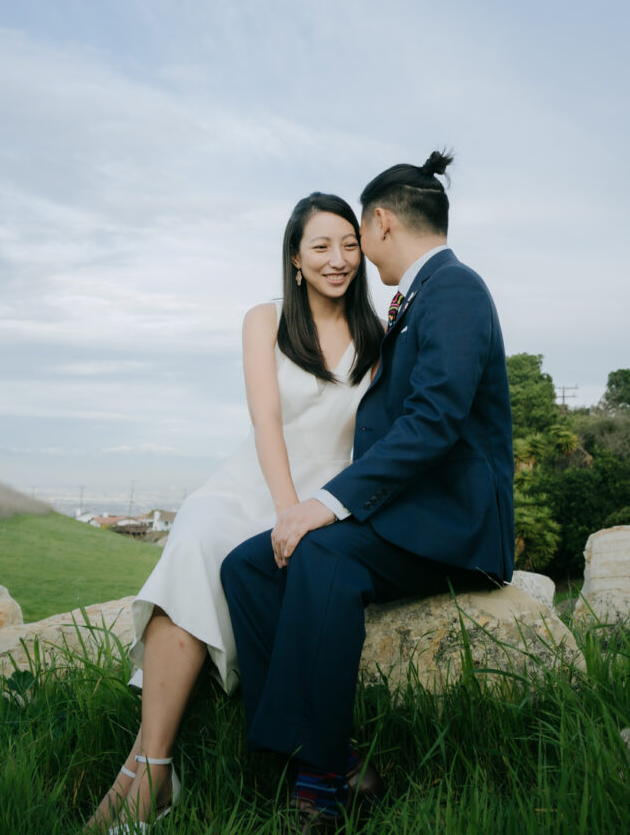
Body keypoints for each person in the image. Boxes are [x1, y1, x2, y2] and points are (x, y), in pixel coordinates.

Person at [221, 150, 515, 832]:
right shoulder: (421, 296)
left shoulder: (455, 288)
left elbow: (435, 422)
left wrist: (325, 504)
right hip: (411, 515)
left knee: (322, 556)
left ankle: (320, 781)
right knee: (248, 566)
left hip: (455, 527)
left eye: (357, 234)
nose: (354, 253)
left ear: (381, 221)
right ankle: (314, 754)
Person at [86, 192, 382, 832]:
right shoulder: (265, 319)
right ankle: (154, 766)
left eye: (350, 244)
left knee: (249, 564)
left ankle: (144, 777)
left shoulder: (378, 334)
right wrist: (284, 510)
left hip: (327, 497)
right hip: (255, 482)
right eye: (321, 246)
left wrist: (312, 514)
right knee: (194, 538)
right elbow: (266, 419)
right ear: (296, 259)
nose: (338, 259)